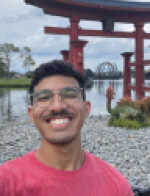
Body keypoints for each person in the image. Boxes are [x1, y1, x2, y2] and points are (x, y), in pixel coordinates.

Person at [0, 60, 134, 196]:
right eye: (44, 97)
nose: (57, 106)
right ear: (31, 115)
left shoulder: (117, 187)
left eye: (70, 95)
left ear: (87, 109)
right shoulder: (6, 182)